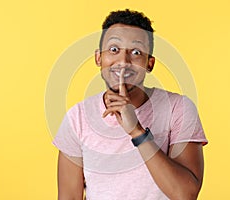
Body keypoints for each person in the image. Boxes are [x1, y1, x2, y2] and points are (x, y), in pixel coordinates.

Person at [53, 9, 208, 200]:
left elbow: (185, 194)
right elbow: (69, 196)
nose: (123, 62)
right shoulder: (77, 118)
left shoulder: (179, 108)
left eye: (136, 52)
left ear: (149, 64)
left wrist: (136, 131)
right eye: (114, 50)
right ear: (98, 58)